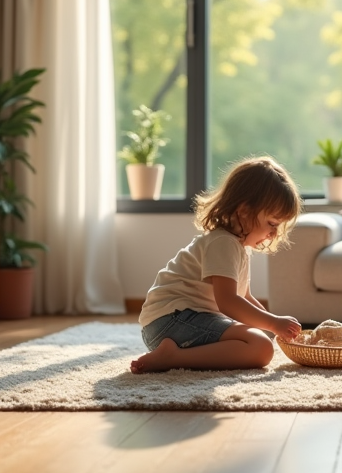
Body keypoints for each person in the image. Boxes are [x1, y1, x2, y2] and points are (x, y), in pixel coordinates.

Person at [130, 156, 303, 373]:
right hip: (171, 321)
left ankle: (173, 354)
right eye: (272, 223)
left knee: (259, 341)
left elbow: (244, 297)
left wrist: (273, 326)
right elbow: (228, 302)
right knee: (260, 347)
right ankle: (173, 357)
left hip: (175, 323)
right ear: (244, 211)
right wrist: (273, 323)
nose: (274, 233)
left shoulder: (238, 247)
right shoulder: (223, 243)